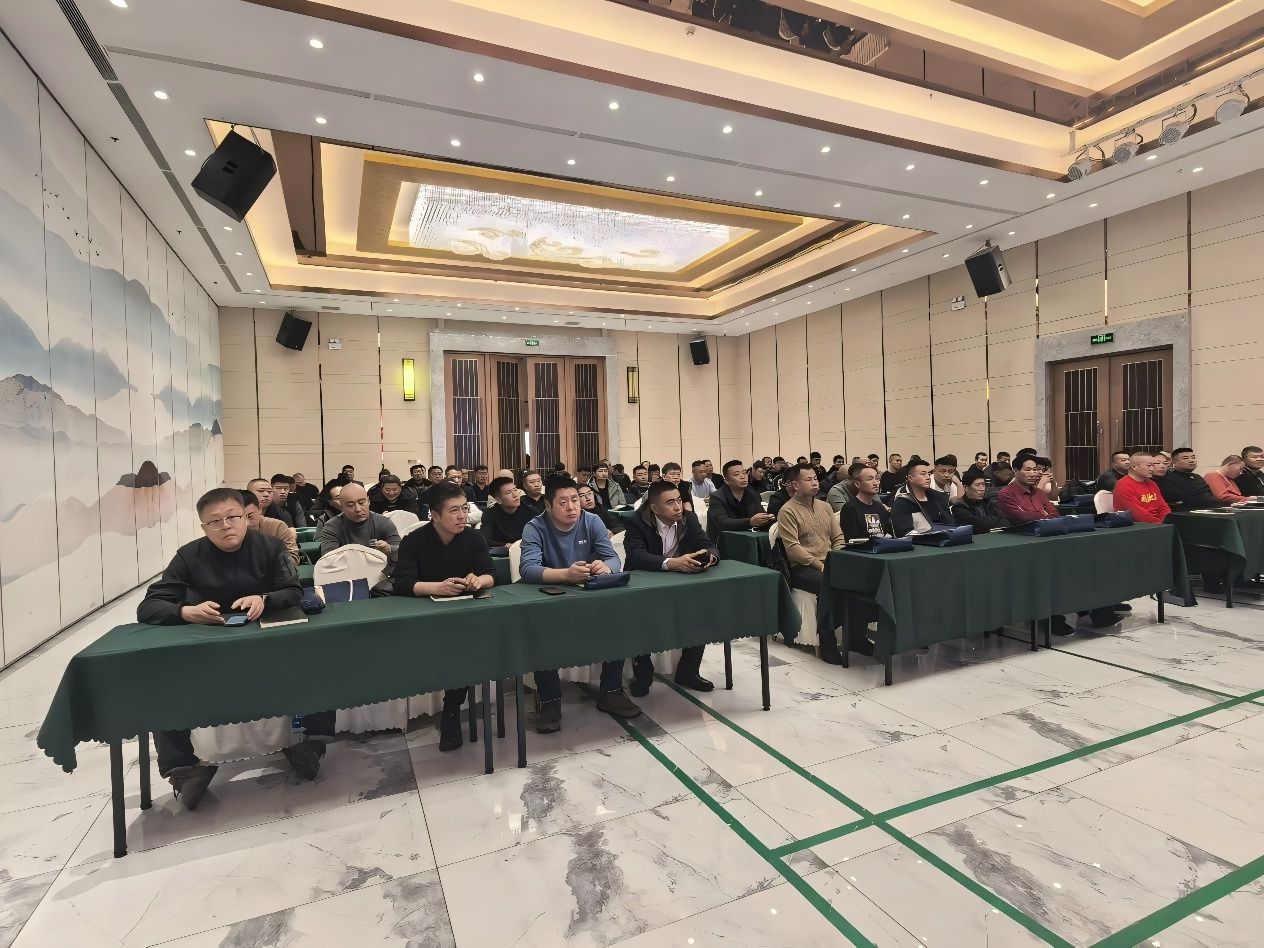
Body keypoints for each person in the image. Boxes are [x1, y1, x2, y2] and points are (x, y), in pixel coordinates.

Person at [137, 488, 326, 808]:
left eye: (233, 517)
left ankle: (311, 744)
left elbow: (292, 591)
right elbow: (150, 606)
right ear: (203, 527)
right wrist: (186, 612)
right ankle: (182, 769)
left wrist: (264, 599)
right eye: (215, 521)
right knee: (160, 678)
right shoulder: (189, 556)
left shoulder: (269, 547)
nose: (225, 525)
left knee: (318, 657)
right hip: (209, 648)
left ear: (246, 517)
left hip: (267, 644)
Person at [520, 475, 639, 730]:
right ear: (548, 505)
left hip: (587, 594)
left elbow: (613, 558)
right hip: (550, 599)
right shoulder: (534, 527)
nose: (572, 507)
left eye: (575, 500)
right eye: (563, 502)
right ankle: (550, 700)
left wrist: (605, 567)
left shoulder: (591, 520)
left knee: (617, 620)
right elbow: (528, 569)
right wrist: (565, 574)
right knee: (542, 633)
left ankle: (611, 691)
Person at [392, 482, 494, 752]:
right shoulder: (414, 540)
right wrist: (437, 588)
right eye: (453, 511)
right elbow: (402, 582)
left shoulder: (473, 538)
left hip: (465, 615)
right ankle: (450, 707)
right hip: (426, 616)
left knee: (465, 645)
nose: (462, 516)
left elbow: (491, 574)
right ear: (434, 515)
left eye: (464, 509)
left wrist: (478, 580)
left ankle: (451, 709)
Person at [999, 457, 1123, 633]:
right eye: (1027, 470)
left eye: (1035, 469)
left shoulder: (1039, 493)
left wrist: (1041, 514)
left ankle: (1094, 610)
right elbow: (1021, 518)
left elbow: (1054, 514)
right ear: (1016, 471)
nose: (1033, 473)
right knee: (1054, 573)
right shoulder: (1006, 494)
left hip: (1051, 539)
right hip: (1026, 544)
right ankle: (1050, 618)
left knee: (1085, 564)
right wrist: (1042, 514)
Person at [622, 479, 718, 695]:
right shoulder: (636, 521)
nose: (677, 507)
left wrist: (707, 558)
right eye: (670, 503)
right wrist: (672, 563)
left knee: (701, 612)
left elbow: (709, 545)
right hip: (645, 584)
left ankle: (688, 671)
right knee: (642, 621)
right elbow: (636, 556)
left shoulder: (688, 518)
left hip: (680, 583)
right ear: (654, 508)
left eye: (679, 500)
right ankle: (643, 670)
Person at [775, 463, 846, 661]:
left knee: (857, 577)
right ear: (795, 485)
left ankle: (856, 634)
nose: (815, 483)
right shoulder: (787, 511)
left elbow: (838, 538)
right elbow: (793, 549)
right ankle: (827, 641)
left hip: (829, 562)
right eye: (808, 479)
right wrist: (820, 565)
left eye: (815, 478)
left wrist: (836, 559)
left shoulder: (825, 507)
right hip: (802, 567)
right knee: (826, 583)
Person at [316, 482, 401, 592]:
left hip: (381, 580)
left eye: (362, 502)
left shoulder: (383, 522)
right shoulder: (332, 526)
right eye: (350, 505)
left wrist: (389, 549)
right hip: (345, 580)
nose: (357, 509)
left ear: (368, 501)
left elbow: (402, 552)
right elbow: (328, 560)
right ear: (341, 506)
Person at [707, 459, 775, 539]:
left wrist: (767, 518)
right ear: (727, 481)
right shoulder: (717, 497)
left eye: (744, 473)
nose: (743, 477)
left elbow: (760, 514)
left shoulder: (752, 493)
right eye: (736, 474)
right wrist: (750, 522)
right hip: (722, 539)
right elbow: (722, 523)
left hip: (747, 537)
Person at [890, 460, 955, 536]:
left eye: (928, 474)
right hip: (921, 541)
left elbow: (950, 524)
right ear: (910, 478)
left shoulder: (938, 497)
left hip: (945, 537)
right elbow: (905, 534)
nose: (928, 477)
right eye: (923, 474)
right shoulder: (902, 503)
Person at [241, 490, 300, 566]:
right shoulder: (229, 531)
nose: (247, 524)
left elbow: (293, 559)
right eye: (240, 518)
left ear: (259, 509)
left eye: (250, 516)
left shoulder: (277, 527)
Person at [1157, 448, 1225, 511]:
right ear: (1174, 462)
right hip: (1190, 513)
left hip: (1213, 509)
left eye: (1193, 458)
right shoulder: (1167, 479)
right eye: (1185, 458)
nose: (1191, 460)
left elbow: (1209, 496)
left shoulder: (1197, 477)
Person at [1112, 452, 1171, 524]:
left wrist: (1167, 521)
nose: (1152, 469)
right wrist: (1160, 524)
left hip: (1159, 523)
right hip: (1138, 526)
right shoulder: (1123, 485)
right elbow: (1137, 515)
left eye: (1153, 465)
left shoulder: (1151, 483)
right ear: (1134, 467)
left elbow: (1163, 507)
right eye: (1148, 465)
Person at [839, 463, 893, 539]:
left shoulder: (880, 507)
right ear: (857, 484)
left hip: (882, 545)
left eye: (877, 478)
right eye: (870, 479)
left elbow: (889, 533)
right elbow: (851, 538)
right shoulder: (850, 508)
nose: (876, 483)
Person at [480, 476, 535, 546]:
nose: (515, 495)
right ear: (498, 500)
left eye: (515, 490)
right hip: (501, 551)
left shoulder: (531, 511)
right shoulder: (489, 514)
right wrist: (505, 545)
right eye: (509, 493)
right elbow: (484, 539)